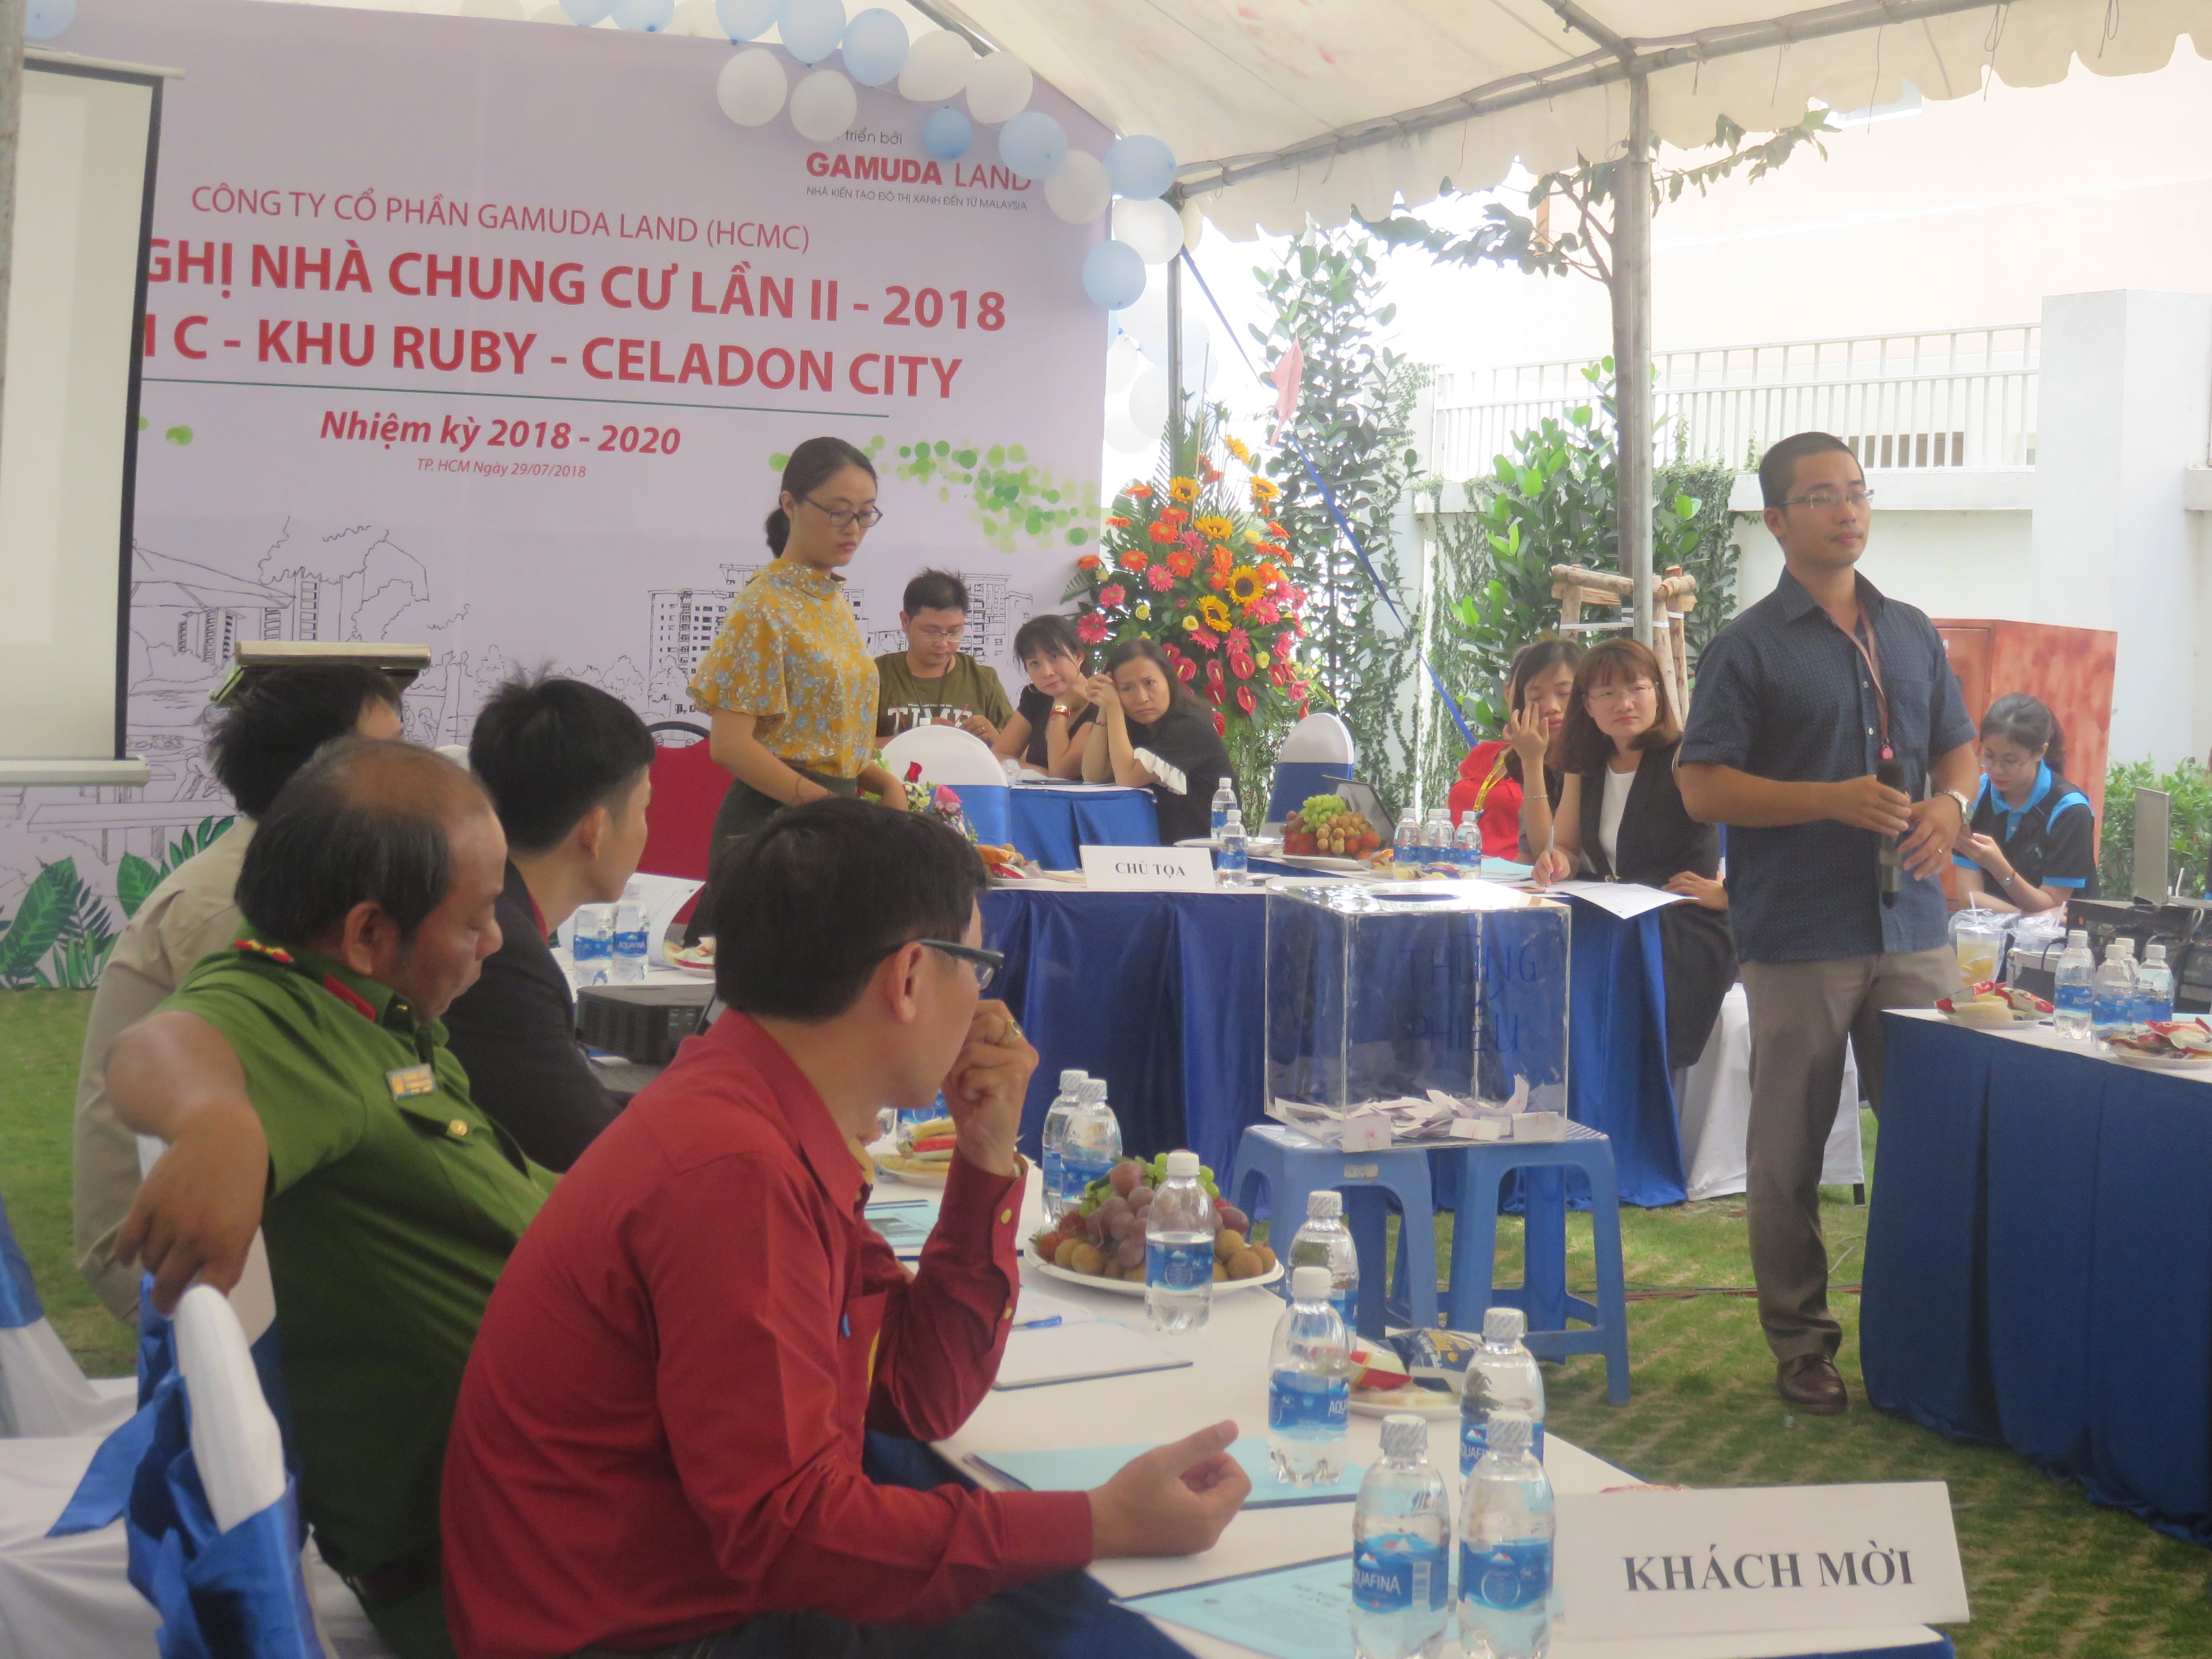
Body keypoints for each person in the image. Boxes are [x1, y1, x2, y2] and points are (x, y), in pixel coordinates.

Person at [440, 800, 1250, 1659]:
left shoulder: (755, 1109)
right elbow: (789, 1535)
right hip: (648, 1636)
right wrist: (1100, 1520)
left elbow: (913, 1390)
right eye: (977, 966)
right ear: (909, 977)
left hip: (673, 1602)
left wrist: (985, 1156)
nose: (985, 1005)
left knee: (1051, 1612)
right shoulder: (735, 1172)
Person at [104, 739, 551, 1659]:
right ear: (368, 933)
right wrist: (215, 1120)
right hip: (530, 1569)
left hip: (553, 1515)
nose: (496, 942)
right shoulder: (281, 1012)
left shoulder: (368, 1012)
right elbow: (157, 1044)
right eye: (475, 920)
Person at [1678, 431, 1977, 1418]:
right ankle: (1802, 1344)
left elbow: (1959, 749)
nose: (1847, 511)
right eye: (1820, 497)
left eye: (1856, 491)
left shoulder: (1912, 630)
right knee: (1787, 1154)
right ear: (1775, 520)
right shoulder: (1747, 646)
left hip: (1914, 926)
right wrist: (1828, 800)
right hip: (1799, 933)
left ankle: (1931, 1335)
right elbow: (1700, 785)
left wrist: (1951, 808)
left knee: (1936, 1141)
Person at [72, 663, 404, 1324]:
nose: (418, 778)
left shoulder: (282, 878)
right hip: (167, 1252)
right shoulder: (239, 907)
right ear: (321, 779)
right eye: (392, 755)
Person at [442, 674, 655, 1170]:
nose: (647, 829)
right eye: (645, 808)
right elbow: (582, 1145)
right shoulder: (500, 950)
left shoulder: (498, 913)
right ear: (595, 830)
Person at [689, 436, 906, 861]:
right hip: (774, 831)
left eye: (865, 514)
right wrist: (829, 807)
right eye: (839, 512)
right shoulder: (763, 604)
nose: (854, 528)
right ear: (790, 505)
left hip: (829, 819)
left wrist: (885, 784)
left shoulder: (831, 601)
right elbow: (729, 745)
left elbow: (822, 740)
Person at [1531, 639, 1734, 1074]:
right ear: (1588, 706)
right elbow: (1567, 847)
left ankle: (1626, 1084)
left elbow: (1754, 825)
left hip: (1680, 922)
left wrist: (1730, 892)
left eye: (1637, 688)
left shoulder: (1686, 758)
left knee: (1605, 959)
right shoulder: (1586, 764)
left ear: (1658, 693)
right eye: (1607, 693)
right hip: (1615, 914)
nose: (1624, 704)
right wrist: (1558, 862)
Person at [1079, 636, 1237, 844]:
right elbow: (1094, 775)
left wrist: (1114, 709)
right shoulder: (1135, 726)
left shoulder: (1190, 726)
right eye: (1127, 689)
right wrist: (1105, 707)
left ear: (1169, 681)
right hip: (1160, 851)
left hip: (1208, 854)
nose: (1142, 698)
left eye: (1150, 683)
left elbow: (1128, 778)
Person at [1951, 692, 2097, 914]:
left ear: (2040, 752)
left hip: (2060, 933)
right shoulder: (1975, 795)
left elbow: (2053, 903)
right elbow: (1969, 898)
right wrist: (2029, 918)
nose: (1997, 770)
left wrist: (1999, 867)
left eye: (2010, 761)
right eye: (1989, 757)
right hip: (1994, 926)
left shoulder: (2071, 811)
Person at [1448, 640, 1581, 860]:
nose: (1551, 707)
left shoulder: (1591, 758)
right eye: (1536, 698)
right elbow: (1531, 854)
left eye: (1565, 692)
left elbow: (1546, 855)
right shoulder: (1532, 757)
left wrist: (1532, 762)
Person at [875, 568, 1015, 742]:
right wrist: (917, 738)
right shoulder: (878, 675)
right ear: (905, 621)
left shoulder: (983, 680)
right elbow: (851, 749)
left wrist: (996, 739)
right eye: (931, 632)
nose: (942, 644)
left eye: (953, 632)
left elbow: (1020, 753)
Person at [993, 613, 1098, 778]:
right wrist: (1042, 775)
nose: (1047, 672)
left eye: (1054, 657)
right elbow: (997, 757)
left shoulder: (1100, 704)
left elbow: (1061, 774)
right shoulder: (1036, 697)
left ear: (1078, 656)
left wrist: (1061, 707)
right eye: (1034, 663)